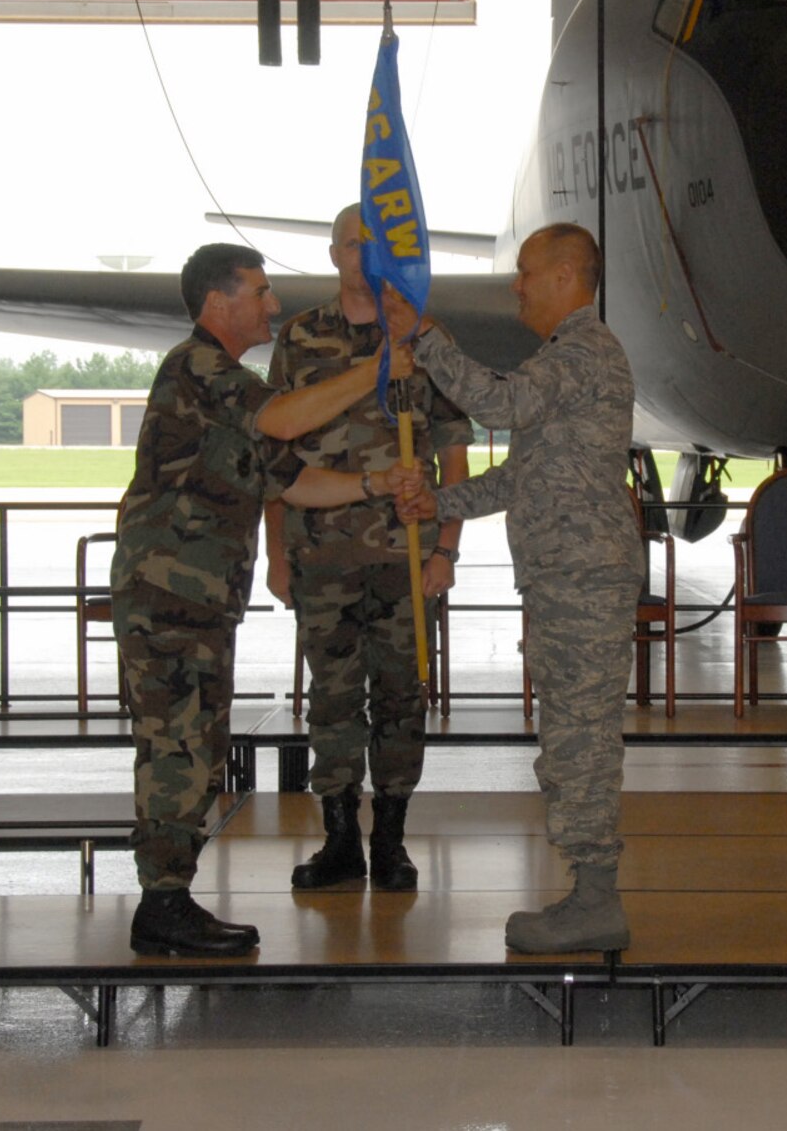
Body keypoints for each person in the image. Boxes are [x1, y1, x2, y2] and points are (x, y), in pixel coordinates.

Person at [113, 242, 420, 957]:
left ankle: (170, 896)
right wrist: (375, 370)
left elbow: (293, 479)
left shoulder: (234, 390)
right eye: (259, 291)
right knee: (176, 746)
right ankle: (162, 902)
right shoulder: (198, 368)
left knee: (197, 742)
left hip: (198, 599)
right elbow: (285, 420)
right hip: (166, 594)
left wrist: (377, 487)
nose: (272, 305)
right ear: (219, 303)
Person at [386, 222, 643, 953]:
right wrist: (440, 502)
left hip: (582, 577)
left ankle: (597, 899)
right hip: (567, 578)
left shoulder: (585, 351)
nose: (515, 286)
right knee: (569, 735)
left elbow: (496, 405)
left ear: (566, 277)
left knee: (580, 740)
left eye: (526, 272)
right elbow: (524, 476)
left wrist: (426, 335)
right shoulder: (566, 359)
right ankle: (589, 889)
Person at [263, 204, 473, 892]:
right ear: (332, 255)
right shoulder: (298, 337)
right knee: (331, 701)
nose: (365, 257)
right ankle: (339, 838)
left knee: (401, 699)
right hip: (320, 555)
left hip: (404, 558)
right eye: (353, 245)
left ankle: (391, 837)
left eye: (377, 246)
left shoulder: (422, 337)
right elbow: (274, 451)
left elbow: (455, 454)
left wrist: (447, 549)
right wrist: (277, 553)